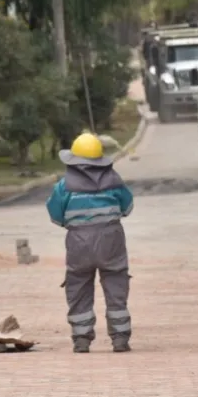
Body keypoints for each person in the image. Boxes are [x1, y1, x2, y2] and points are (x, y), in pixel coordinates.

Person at [46, 132, 134, 353]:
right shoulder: (114, 181)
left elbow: (56, 215)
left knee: (78, 285)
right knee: (116, 284)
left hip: (78, 242)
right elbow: (128, 207)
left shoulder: (64, 186)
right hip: (111, 240)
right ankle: (120, 338)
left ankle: (81, 338)